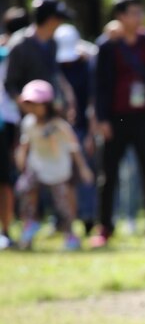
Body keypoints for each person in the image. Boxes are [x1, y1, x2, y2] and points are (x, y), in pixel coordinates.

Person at [91, 0, 145, 247]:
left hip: (144, 117)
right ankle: (105, 227)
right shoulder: (107, 45)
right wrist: (101, 118)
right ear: (120, 16)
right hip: (115, 118)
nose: (139, 17)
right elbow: (99, 85)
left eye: (140, 11)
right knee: (108, 175)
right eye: (133, 12)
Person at [14, 80, 93, 250]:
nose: (33, 109)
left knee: (64, 205)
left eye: (36, 104)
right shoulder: (28, 123)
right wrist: (21, 158)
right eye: (29, 104)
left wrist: (83, 168)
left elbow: (74, 147)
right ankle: (30, 224)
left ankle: (70, 235)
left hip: (58, 170)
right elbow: (25, 144)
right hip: (37, 166)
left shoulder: (59, 125)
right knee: (24, 189)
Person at [54, 23, 98, 235]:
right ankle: (61, 219)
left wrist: (91, 133)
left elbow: (91, 101)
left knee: (85, 174)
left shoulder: (87, 66)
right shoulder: (53, 66)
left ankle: (88, 218)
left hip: (81, 128)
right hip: (58, 131)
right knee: (59, 176)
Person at [4, 0, 75, 120]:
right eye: (58, 19)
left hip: (50, 113)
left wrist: (66, 99)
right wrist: (28, 108)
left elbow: (54, 73)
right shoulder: (20, 45)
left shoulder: (52, 43)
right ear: (50, 20)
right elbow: (10, 83)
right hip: (27, 118)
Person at [0, 8, 30, 248]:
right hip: (9, 122)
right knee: (7, 179)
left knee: (9, 178)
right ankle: (7, 229)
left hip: (10, 122)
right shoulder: (17, 51)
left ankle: (8, 229)